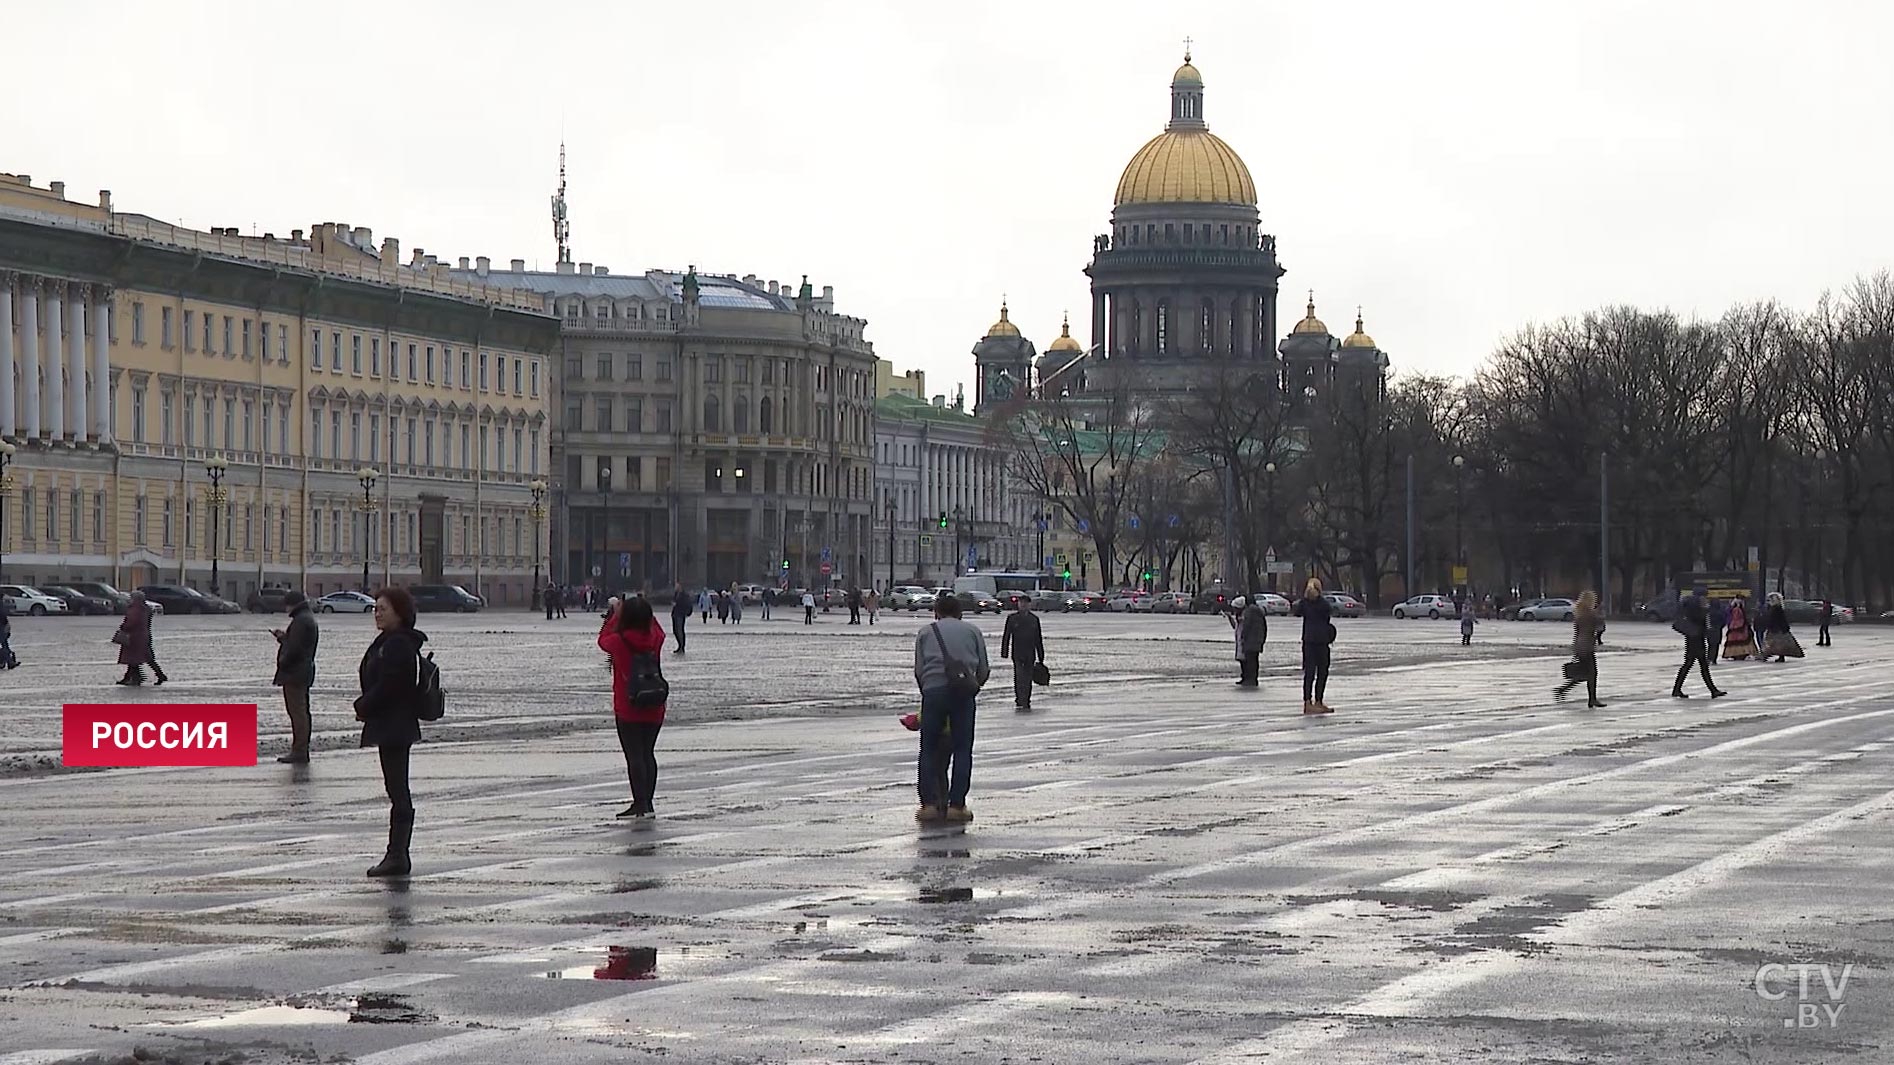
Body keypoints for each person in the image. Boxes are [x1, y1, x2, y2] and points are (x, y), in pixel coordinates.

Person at [354, 587, 428, 877]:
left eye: (383, 608)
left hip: (395, 724)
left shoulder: (397, 645)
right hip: (393, 722)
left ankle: (397, 854)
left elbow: (391, 684)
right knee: (396, 788)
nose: (377, 613)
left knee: (398, 790)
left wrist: (364, 704)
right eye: (375, 608)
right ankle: (397, 853)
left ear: (399, 612)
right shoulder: (391, 641)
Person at [913, 595, 991, 822]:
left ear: (936, 611)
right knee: (962, 749)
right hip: (962, 694)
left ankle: (928, 804)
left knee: (928, 748)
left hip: (933, 693)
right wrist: (972, 685)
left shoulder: (926, 632)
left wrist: (927, 689)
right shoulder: (973, 631)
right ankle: (957, 805)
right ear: (960, 613)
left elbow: (919, 669)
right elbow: (983, 669)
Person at [599, 595, 668, 818]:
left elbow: (602, 639)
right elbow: (658, 628)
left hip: (628, 705)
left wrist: (614, 616)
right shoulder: (655, 638)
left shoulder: (619, 641)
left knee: (634, 756)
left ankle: (639, 802)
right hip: (655, 703)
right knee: (648, 753)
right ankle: (648, 802)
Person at [271, 590, 320, 764]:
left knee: (297, 712)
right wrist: (284, 638)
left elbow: (296, 649)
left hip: (295, 672)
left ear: (291, 604)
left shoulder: (300, 621)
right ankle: (301, 749)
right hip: (303, 671)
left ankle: (299, 750)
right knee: (302, 711)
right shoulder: (306, 618)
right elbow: (298, 644)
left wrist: (283, 661)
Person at [1554, 590, 1605, 707]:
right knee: (1592, 673)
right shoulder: (1591, 614)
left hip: (1580, 645)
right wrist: (1601, 616)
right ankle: (1592, 699)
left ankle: (1563, 690)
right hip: (1587, 646)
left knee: (1585, 673)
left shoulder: (1579, 614)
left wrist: (1575, 649)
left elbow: (1577, 632)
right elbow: (1600, 629)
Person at [1673, 593, 1727, 699]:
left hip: (1693, 641)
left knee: (1690, 666)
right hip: (1697, 642)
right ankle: (1713, 690)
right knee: (1699, 666)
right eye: (1703, 600)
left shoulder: (1692, 613)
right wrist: (1705, 611)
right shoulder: (1697, 614)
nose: (1705, 601)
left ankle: (1677, 689)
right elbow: (1702, 626)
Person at [1292, 578, 1334, 714]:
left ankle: (1313, 701)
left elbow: (1297, 610)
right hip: (1319, 641)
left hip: (1310, 641)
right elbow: (1297, 611)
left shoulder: (1308, 603)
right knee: (1317, 672)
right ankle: (1313, 701)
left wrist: (1308, 598)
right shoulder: (1319, 603)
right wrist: (1311, 598)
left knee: (1313, 672)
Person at [999, 594, 1044, 710]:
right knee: (1019, 676)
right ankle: (1019, 698)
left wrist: (1041, 655)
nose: (1023, 605)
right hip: (1017, 652)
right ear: (1018, 604)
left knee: (1028, 677)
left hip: (1030, 653)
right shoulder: (1012, 618)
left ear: (1029, 605)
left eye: (1025, 603)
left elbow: (1038, 638)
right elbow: (1006, 635)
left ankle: (1026, 698)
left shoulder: (1034, 619)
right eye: (1021, 603)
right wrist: (1004, 651)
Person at [114, 591, 168, 686]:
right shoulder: (145, 608)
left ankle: (137, 678)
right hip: (143, 636)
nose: (129, 599)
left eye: (131, 597)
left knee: (134, 658)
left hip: (134, 637)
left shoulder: (136, 609)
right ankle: (132, 677)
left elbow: (132, 622)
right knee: (143, 657)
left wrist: (124, 627)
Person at [1232, 596, 1267, 688]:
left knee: (1250, 660)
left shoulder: (1250, 612)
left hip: (1251, 640)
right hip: (1256, 640)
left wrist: (1243, 636)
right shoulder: (1257, 612)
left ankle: (1250, 679)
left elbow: (1246, 626)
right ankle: (1251, 678)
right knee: (1252, 660)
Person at [1760, 592, 1800, 663]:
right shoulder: (1777, 608)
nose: (1769, 601)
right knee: (1777, 643)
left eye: (1770, 600)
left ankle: (1766, 655)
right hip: (1777, 629)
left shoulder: (1776, 608)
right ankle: (1773, 656)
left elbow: (1776, 619)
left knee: (1773, 643)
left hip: (1776, 629)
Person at [1722, 597, 1757, 662]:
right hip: (1741, 626)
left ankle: (1736, 653)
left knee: (1736, 640)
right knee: (1742, 639)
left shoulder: (1735, 610)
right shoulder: (1738, 610)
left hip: (1738, 626)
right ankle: (1742, 652)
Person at [669, 583, 690, 653]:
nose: (675, 587)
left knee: (680, 630)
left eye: (677, 586)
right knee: (675, 630)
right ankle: (679, 645)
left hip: (680, 614)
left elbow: (686, 604)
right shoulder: (676, 594)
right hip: (675, 614)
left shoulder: (684, 595)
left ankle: (682, 646)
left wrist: (677, 604)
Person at [1706, 597, 1728, 663]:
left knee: (1710, 644)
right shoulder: (1720, 612)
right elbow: (1724, 621)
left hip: (1710, 629)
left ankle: (1709, 657)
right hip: (1717, 630)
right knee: (1716, 645)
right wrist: (1720, 626)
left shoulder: (1708, 611)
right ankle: (1714, 658)